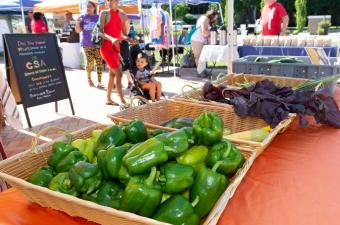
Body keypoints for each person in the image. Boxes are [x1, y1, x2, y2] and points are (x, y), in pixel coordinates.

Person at [99, 0, 129, 106]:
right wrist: (111, 39)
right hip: (106, 48)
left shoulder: (121, 14)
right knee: (119, 74)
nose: (110, 2)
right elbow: (100, 32)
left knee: (112, 75)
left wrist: (128, 39)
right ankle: (123, 101)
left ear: (118, 1)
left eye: (112, 0)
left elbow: (119, 35)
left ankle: (108, 98)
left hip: (116, 48)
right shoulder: (104, 13)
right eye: (108, 1)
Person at [75, 1, 104, 88]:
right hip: (86, 44)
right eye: (87, 7)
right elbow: (78, 31)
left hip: (97, 44)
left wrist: (96, 32)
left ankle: (99, 81)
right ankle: (89, 79)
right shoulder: (83, 17)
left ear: (94, 8)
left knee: (99, 62)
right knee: (90, 62)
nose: (88, 9)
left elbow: (102, 29)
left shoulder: (98, 17)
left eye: (90, 7)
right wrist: (77, 22)